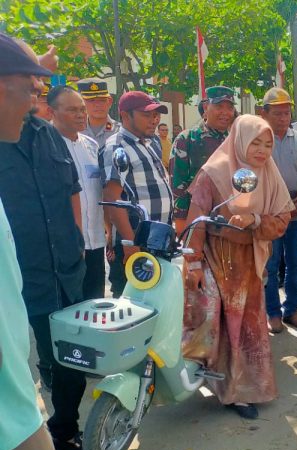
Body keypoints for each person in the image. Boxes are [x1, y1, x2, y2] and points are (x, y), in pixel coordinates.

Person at [0, 33, 76, 450]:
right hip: (10, 427)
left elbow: (70, 196)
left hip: (62, 269)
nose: (38, 98)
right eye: (31, 87)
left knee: (66, 358)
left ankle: (66, 422)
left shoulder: (47, 138)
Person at [182, 115, 293, 420]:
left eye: (268, 144)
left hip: (251, 261)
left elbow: (282, 221)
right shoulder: (213, 172)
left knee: (245, 329)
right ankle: (211, 382)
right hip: (216, 258)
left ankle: (239, 391)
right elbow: (196, 220)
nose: (261, 150)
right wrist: (192, 261)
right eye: (255, 142)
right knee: (214, 325)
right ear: (239, 139)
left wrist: (255, 220)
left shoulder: (269, 175)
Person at [101, 91, 173, 297]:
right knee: (131, 307)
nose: (154, 120)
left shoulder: (151, 143)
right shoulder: (116, 146)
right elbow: (113, 200)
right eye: (146, 115)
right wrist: (131, 243)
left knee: (157, 303)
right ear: (125, 115)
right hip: (134, 243)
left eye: (156, 115)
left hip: (157, 241)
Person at [50, 85, 108, 300]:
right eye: (72, 110)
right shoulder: (45, 146)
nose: (80, 115)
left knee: (95, 303)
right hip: (65, 246)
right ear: (52, 112)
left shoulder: (91, 145)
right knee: (70, 309)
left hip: (95, 241)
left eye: (82, 109)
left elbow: (98, 192)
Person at [261, 87, 297, 333]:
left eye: (287, 113)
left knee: (296, 263)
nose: (283, 118)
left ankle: (292, 310)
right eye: (278, 113)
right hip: (269, 213)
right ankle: (273, 313)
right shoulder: (259, 141)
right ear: (265, 113)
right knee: (270, 265)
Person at [169, 86, 235, 229]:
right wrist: (181, 224)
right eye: (219, 106)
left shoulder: (234, 141)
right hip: (196, 219)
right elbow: (178, 187)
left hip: (227, 220)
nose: (225, 113)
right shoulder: (187, 139)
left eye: (230, 108)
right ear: (206, 107)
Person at [76, 78, 119, 148]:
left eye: (102, 100)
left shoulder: (119, 132)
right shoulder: (74, 132)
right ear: (81, 103)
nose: (98, 104)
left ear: (110, 102)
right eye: (91, 100)